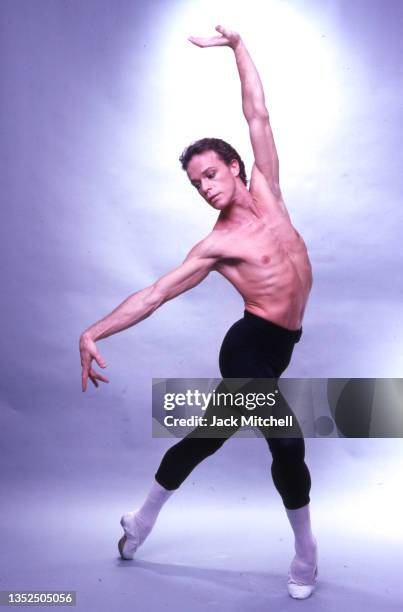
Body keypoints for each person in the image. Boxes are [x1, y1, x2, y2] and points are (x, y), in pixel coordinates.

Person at [79, 25, 318, 599]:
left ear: (235, 167)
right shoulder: (215, 246)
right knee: (286, 440)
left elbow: (257, 115)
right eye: (195, 184)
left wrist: (239, 48)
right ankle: (306, 555)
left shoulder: (269, 189)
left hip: (284, 345)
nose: (205, 188)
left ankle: (139, 522)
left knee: (206, 438)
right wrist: (93, 330)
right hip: (250, 344)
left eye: (210, 174)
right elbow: (155, 293)